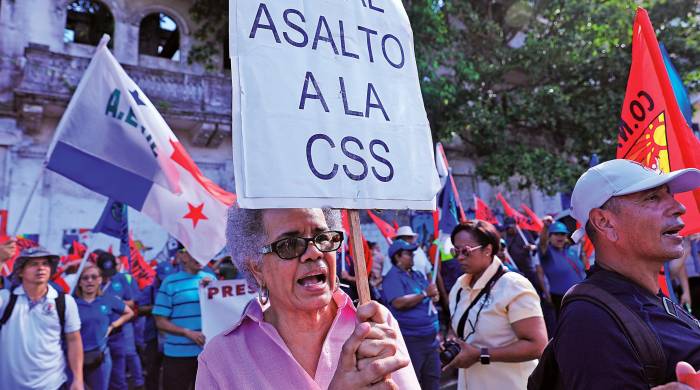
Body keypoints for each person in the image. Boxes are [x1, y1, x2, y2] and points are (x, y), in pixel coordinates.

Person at [196, 207, 420, 389]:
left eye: (323, 238)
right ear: (257, 269)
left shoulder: (373, 325)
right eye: (289, 245)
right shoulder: (221, 359)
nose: (314, 252)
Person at [534, 159, 700, 388]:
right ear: (604, 223)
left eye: (669, 194)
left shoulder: (648, 298)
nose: (679, 207)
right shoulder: (590, 319)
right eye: (653, 197)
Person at [444, 220, 547, 389]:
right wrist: (451, 340)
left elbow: (537, 345)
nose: (460, 257)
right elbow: (458, 326)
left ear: (488, 250)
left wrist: (480, 355)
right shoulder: (459, 286)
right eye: (455, 251)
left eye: (466, 251)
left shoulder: (513, 285)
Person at [0, 246, 84, 390]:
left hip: (52, 384)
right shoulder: (6, 299)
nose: (41, 268)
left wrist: (78, 379)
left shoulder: (65, 302)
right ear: (20, 271)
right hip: (10, 385)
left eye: (45, 264)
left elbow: (74, 340)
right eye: (33, 264)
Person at [381, 239, 440, 389]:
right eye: (408, 254)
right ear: (398, 257)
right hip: (412, 340)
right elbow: (398, 302)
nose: (413, 256)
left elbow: (430, 295)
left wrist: (434, 296)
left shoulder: (418, 275)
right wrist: (425, 294)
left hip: (431, 339)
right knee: (413, 381)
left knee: (433, 378)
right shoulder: (392, 277)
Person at [153, 246, 211, 390]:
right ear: (183, 256)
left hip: (208, 355)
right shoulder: (169, 282)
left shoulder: (211, 280)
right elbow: (160, 322)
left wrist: (213, 290)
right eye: (197, 252)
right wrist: (187, 333)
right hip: (177, 356)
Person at [74, 263, 134, 390]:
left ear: (100, 280)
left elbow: (130, 312)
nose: (89, 281)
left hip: (100, 358)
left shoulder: (108, 299)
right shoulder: (71, 303)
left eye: (94, 277)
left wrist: (113, 326)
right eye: (85, 278)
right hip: (76, 359)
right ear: (79, 282)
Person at [95, 250, 141, 390]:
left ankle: (138, 381)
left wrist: (117, 303)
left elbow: (132, 303)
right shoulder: (93, 279)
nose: (106, 276)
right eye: (104, 272)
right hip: (102, 327)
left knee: (129, 353)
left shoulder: (122, 278)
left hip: (122, 324)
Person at [537, 219, 585, 315]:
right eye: (556, 234)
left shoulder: (571, 251)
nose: (560, 236)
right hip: (561, 298)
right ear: (549, 237)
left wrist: (582, 249)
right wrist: (546, 227)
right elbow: (542, 243)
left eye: (563, 234)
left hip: (581, 294)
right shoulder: (547, 253)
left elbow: (582, 268)